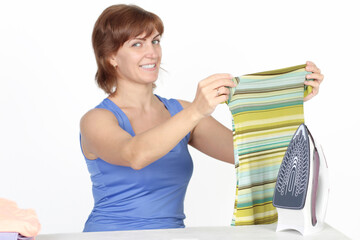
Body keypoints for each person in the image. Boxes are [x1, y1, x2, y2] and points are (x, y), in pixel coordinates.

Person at [79, 4, 324, 232]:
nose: (152, 52)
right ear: (111, 57)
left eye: (155, 41)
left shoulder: (178, 112)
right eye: (137, 44)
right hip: (108, 235)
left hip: (173, 236)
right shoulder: (96, 120)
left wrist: (285, 98)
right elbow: (135, 155)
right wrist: (196, 110)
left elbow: (248, 152)